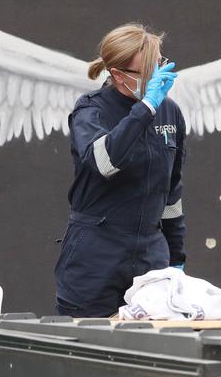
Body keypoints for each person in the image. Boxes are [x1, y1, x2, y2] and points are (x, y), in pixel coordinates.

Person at [54, 23, 186, 318]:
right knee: (89, 350)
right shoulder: (91, 110)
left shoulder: (171, 112)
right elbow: (104, 163)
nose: (156, 77)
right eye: (147, 71)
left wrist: (176, 258)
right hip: (95, 257)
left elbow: (172, 192)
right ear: (118, 75)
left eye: (158, 66)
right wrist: (146, 108)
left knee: (155, 353)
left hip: (151, 258)